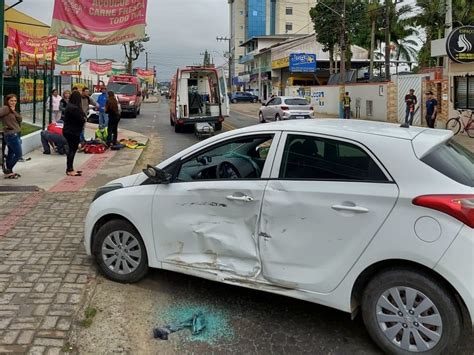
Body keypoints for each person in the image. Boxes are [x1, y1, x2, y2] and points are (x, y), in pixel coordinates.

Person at [63, 91, 85, 176]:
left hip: (68, 131)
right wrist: (83, 119)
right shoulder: (74, 108)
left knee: (71, 150)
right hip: (73, 132)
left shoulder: (70, 106)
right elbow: (80, 120)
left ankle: (70, 168)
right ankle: (70, 169)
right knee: (72, 150)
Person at [0, 94, 22, 179]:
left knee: (11, 153)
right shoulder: (5, 108)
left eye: (15, 101)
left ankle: (9, 171)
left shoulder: (11, 109)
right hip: (11, 134)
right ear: (7, 101)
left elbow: (20, 119)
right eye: (11, 101)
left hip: (16, 133)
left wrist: (13, 111)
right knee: (18, 154)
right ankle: (8, 170)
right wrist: (4, 126)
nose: (13, 102)